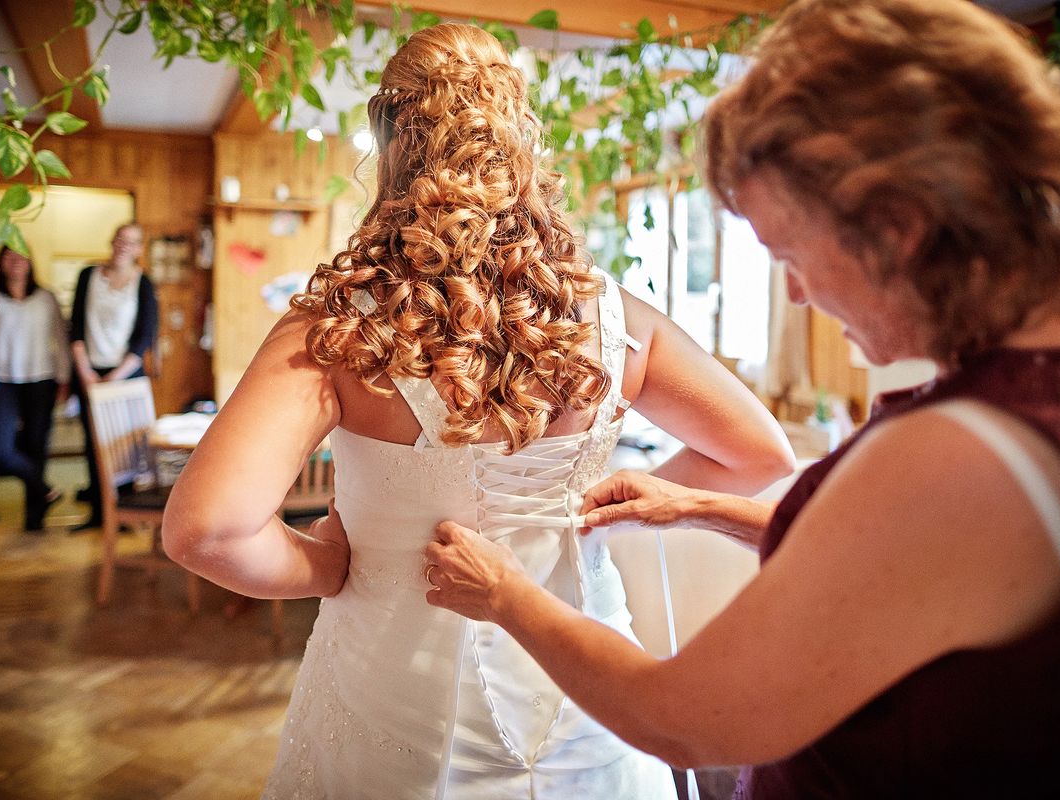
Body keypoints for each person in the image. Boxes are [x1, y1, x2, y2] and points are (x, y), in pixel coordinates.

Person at [422, 1, 1060, 797]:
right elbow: (909, 567)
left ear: (897, 227)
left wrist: (507, 596)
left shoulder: (968, 449)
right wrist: (699, 508)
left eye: (789, 253)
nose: (794, 293)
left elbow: (683, 722)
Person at [161, 22, 794, 800]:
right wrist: (602, 514)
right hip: (588, 698)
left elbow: (206, 530)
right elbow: (759, 455)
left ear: (392, 146)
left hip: (391, 694)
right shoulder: (616, 317)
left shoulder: (341, 329)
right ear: (519, 140)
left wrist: (327, 565)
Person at [0, 246, 71, 532]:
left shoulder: (46, 298)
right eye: (9, 257)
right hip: (3, 383)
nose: (16, 263)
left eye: (21, 257)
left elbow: (60, 340)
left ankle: (34, 518)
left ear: (30, 262)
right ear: (1, 264)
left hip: (42, 381)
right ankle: (45, 489)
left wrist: (64, 380)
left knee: (36, 447)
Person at [68, 222, 158, 530]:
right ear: (112, 242)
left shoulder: (143, 283)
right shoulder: (87, 276)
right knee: (94, 442)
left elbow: (145, 337)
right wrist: (86, 373)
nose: (123, 246)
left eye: (131, 242)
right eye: (119, 239)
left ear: (139, 249)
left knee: (123, 445)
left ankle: (125, 513)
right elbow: (76, 326)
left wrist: (115, 378)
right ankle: (98, 513)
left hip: (127, 375)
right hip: (88, 372)